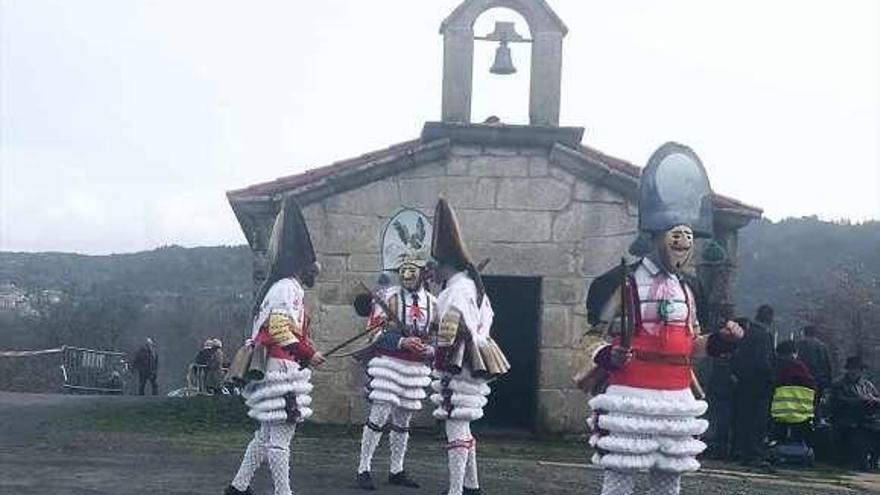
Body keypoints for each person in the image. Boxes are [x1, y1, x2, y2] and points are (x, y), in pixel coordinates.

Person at [584, 143, 743, 495]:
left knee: (669, 480)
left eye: (688, 236)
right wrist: (606, 355)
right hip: (631, 394)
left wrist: (721, 341)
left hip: (676, 397)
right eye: (676, 235)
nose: (683, 241)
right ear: (654, 234)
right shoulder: (619, 283)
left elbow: (692, 344)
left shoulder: (690, 289)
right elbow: (590, 339)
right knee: (620, 476)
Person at [225, 198, 326, 495]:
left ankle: (238, 487)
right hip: (280, 370)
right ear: (301, 264)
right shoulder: (287, 288)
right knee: (281, 436)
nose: (314, 272)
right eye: (311, 267)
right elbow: (280, 330)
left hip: (277, 366)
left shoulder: (278, 287)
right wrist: (309, 353)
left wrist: (307, 350)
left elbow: (285, 329)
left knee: (265, 435)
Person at [429, 198, 510, 495]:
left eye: (434, 267)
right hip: (477, 360)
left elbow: (448, 331)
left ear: (444, 265)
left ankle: (455, 491)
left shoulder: (456, 290)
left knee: (456, 425)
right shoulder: (475, 288)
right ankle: (472, 485)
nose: (432, 274)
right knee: (464, 424)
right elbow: (487, 321)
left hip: (458, 363)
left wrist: (433, 354)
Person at [356, 254, 438, 490]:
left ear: (424, 273)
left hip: (415, 367)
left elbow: (437, 335)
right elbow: (372, 332)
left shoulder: (433, 303)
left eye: (413, 270)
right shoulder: (387, 297)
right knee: (379, 414)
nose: (407, 274)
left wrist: (430, 349)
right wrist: (401, 342)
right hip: (389, 363)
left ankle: (397, 469)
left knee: (403, 418)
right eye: (404, 269)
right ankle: (363, 468)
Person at [730, 308, 775, 468]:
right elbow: (763, 361)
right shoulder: (764, 336)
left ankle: (744, 452)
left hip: (744, 382)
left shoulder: (746, 334)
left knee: (744, 419)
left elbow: (737, 357)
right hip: (760, 385)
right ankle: (755, 454)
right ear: (770, 319)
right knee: (758, 421)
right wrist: (771, 377)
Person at [829, 356, 880, 470]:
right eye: (851, 369)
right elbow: (837, 401)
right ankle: (852, 460)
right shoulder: (838, 384)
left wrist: (873, 400)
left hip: (866, 418)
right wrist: (861, 401)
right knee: (856, 432)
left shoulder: (867, 385)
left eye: (856, 369)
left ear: (861, 371)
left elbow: (876, 398)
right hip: (846, 418)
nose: (853, 372)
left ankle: (874, 460)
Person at [770, 340, 816, 443]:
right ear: (794, 352)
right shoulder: (802, 368)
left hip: (778, 414)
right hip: (801, 414)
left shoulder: (776, 367)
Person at [797, 326, 832, 401]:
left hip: (803, 380)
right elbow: (827, 366)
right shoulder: (822, 346)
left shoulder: (800, 345)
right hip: (819, 380)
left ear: (804, 333)